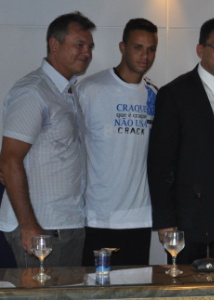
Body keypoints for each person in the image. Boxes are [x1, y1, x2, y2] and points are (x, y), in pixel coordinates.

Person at [148, 18, 214, 263]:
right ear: (200, 49)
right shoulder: (174, 94)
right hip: (191, 213)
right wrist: (165, 222)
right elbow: (160, 163)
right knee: (188, 286)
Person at [0, 11, 95, 267]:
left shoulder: (67, 91)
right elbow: (9, 161)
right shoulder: (33, 91)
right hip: (41, 232)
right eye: (79, 45)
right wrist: (28, 225)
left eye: (89, 46)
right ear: (54, 45)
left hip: (68, 226)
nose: (86, 52)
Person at [76, 18, 158, 266]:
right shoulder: (90, 89)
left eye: (151, 49)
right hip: (98, 217)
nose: (145, 55)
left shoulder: (155, 94)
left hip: (139, 218)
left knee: (134, 291)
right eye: (137, 47)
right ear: (122, 47)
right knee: (94, 290)